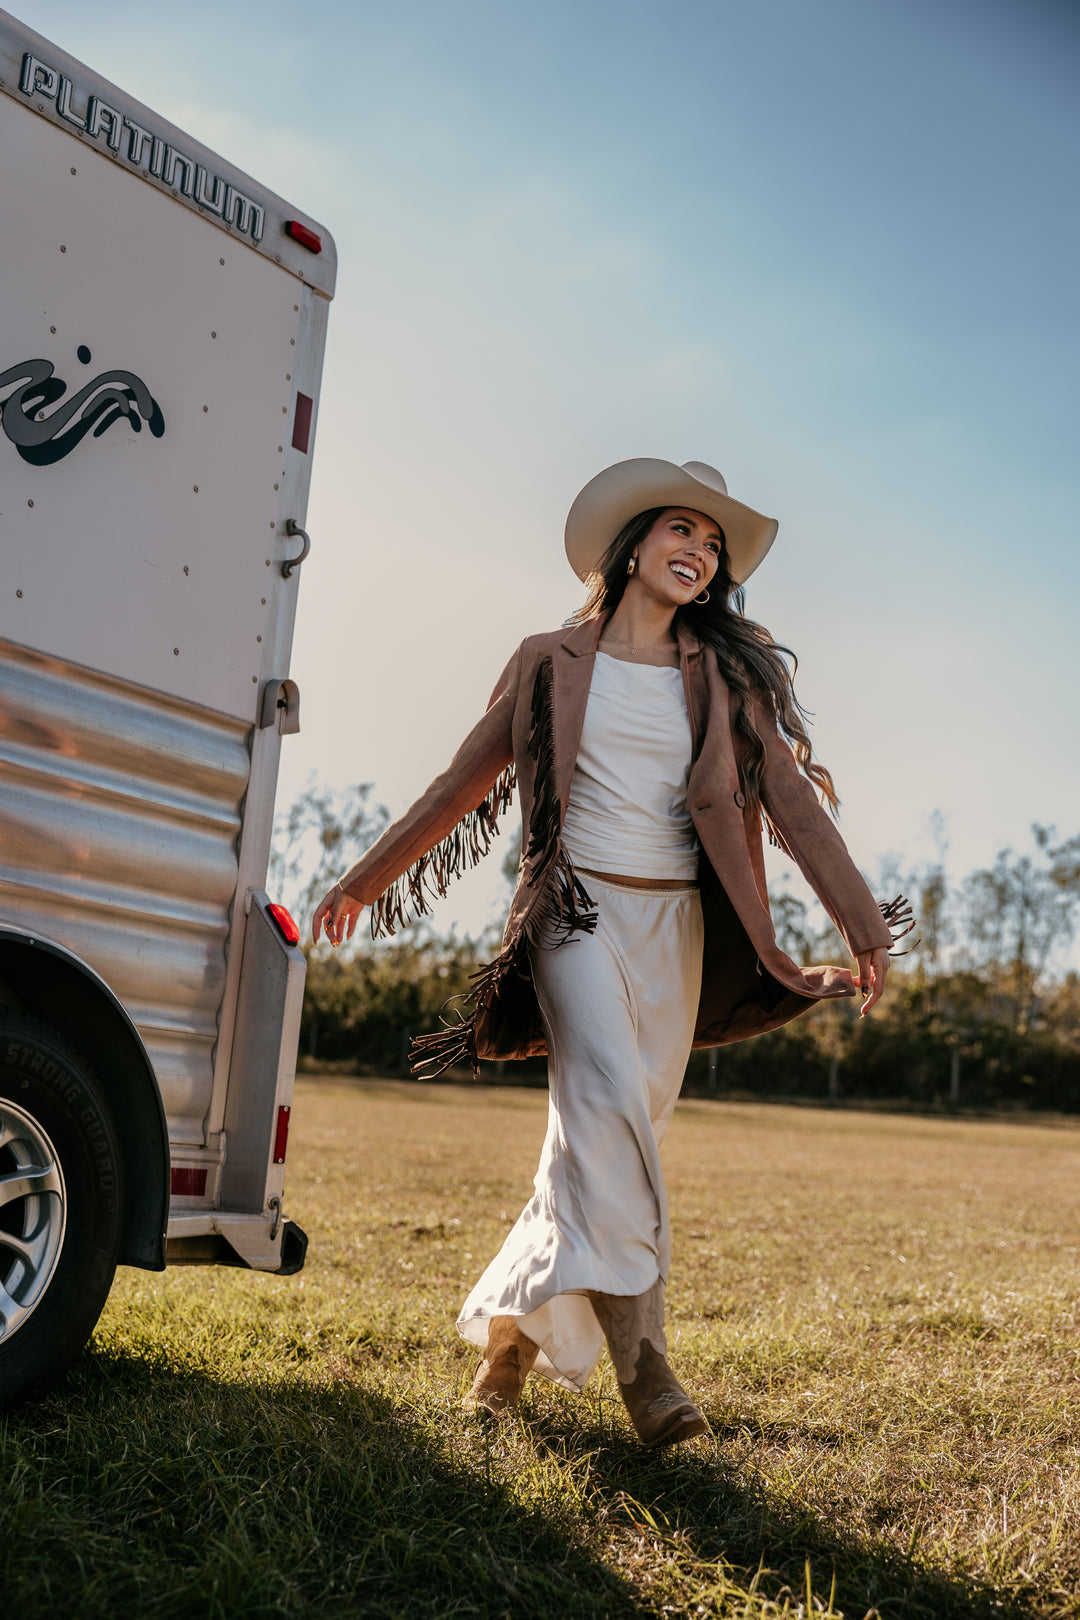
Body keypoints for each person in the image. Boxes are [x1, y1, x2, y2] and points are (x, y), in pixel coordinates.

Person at [313, 458, 911, 1450]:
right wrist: (365, 879)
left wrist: (863, 926)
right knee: (606, 1117)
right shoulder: (550, 658)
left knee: (599, 1143)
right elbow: (462, 781)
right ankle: (647, 1366)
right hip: (573, 920)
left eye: (714, 545)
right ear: (632, 547)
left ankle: (508, 1341)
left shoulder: (723, 676)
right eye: (683, 530)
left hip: (677, 930)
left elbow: (793, 806)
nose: (700, 552)